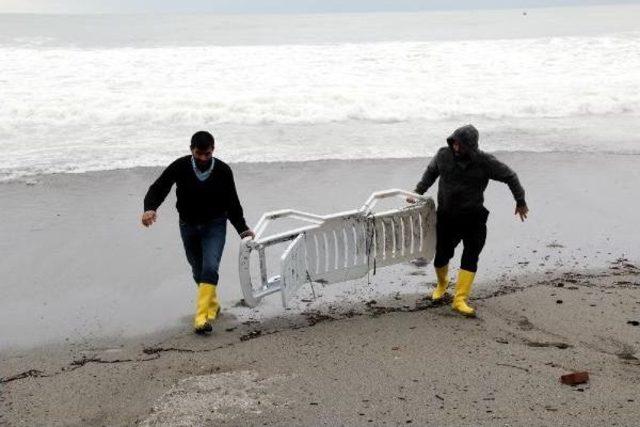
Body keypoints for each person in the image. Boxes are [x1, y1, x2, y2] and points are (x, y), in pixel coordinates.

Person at [141, 131, 255, 334]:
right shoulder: (180, 166)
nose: (203, 158)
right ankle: (212, 304)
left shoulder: (222, 170)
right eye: (199, 154)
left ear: (213, 150)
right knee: (198, 270)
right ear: (191, 150)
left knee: (210, 267)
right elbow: (159, 187)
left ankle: (202, 318)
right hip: (188, 226)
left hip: (215, 226)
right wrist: (150, 208)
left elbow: (232, 203)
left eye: (207, 154)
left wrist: (242, 229)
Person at [410, 124, 528, 317]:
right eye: (454, 143)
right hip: (447, 217)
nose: (456, 148)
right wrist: (417, 192)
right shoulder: (443, 155)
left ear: (471, 146)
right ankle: (442, 284)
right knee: (441, 256)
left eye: (461, 145)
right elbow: (431, 172)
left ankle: (460, 299)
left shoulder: (484, 161)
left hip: (474, 217)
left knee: (471, 255)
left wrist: (520, 201)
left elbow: (510, 176)